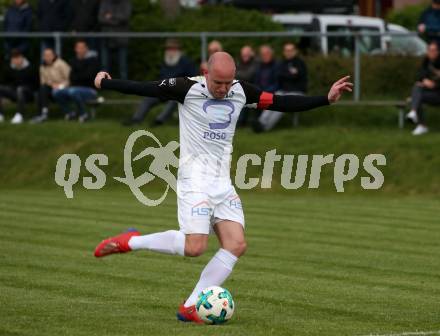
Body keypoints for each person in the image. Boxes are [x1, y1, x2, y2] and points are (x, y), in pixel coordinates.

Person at [92, 52, 352, 323]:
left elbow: (279, 102)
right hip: (194, 179)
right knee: (195, 247)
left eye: (228, 83)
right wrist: (105, 84)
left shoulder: (242, 91)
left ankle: (190, 306)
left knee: (236, 244)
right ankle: (130, 241)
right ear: (206, 74)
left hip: (221, 182)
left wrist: (326, 98)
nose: (223, 89)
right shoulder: (186, 88)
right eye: (218, 82)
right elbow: (143, 87)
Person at [123, 39, 197, 126]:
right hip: (163, 89)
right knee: (148, 99)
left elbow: (192, 79)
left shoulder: (186, 62)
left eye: (172, 49)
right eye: (168, 49)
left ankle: (158, 121)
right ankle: (136, 119)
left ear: (178, 50)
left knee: (173, 101)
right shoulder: (166, 62)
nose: (169, 51)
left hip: (178, 91)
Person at [256, 42, 308, 132]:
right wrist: (290, 75)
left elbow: (296, 77)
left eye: (291, 50)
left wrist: (287, 75)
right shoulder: (281, 63)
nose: (289, 52)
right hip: (283, 91)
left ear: (295, 51)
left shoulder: (300, 63)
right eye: (287, 50)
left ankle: (265, 127)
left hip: (297, 92)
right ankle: (260, 122)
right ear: (284, 52)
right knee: (271, 99)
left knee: (282, 104)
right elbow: (280, 76)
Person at [52, 40, 100, 122]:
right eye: (78, 48)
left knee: (73, 91)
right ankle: (70, 113)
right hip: (74, 88)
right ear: (75, 49)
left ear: (86, 49)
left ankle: (83, 114)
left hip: (90, 90)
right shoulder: (73, 61)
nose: (80, 49)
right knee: (56, 92)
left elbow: (89, 76)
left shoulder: (93, 61)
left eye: (82, 47)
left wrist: (78, 76)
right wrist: (80, 76)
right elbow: (71, 77)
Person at [406, 41, 440, 135]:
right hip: (431, 93)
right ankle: (419, 122)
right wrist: (424, 80)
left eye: (433, 50)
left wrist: (435, 84)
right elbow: (420, 74)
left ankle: (415, 113)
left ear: (438, 51)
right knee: (417, 87)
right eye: (429, 50)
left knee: (415, 98)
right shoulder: (426, 61)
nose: (431, 52)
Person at [31, 48, 70, 123]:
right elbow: (43, 82)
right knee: (42, 89)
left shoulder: (61, 64)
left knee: (44, 90)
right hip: (49, 88)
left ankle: (43, 113)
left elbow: (69, 78)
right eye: (45, 55)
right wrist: (52, 85)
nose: (47, 57)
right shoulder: (42, 67)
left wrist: (60, 86)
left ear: (53, 55)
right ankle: (42, 113)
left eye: (49, 55)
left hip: (63, 88)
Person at [0, 49, 37, 124]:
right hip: (14, 92)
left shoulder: (31, 68)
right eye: (14, 58)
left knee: (20, 89)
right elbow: (5, 82)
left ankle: (19, 115)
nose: (16, 61)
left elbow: (35, 84)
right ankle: (0, 114)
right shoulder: (9, 68)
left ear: (22, 58)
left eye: (18, 58)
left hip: (28, 93)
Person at [99, 0, 132, 80]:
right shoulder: (105, 2)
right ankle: (105, 85)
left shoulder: (126, 3)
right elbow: (100, 18)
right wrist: (117, 20)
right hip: (106, 38)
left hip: (121, 39)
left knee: (122, 66)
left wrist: (111, 16)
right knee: (104, 65)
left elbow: (125, 17)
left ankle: (125, 87)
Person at [252, 44, 279, 132]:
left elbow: (277, 82)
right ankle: (254, 122)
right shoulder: (260, 67)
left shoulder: (276, 66)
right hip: (260, 91)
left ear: (271, 54)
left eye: (267, 53)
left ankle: (261, 125)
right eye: (263, 54)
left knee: (267, 100)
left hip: (272, 91)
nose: (265, 56)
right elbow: (256, 81)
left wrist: (266, 91)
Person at [235, 45, 259, 126]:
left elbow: (248, 75)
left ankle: (241, 121)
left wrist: (237, 73)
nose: (245, 56)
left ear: (251, 54)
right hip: (239, 87)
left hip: (251, 88)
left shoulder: (256, 63)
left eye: (247, 54)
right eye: (243, 54)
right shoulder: (238, 62)